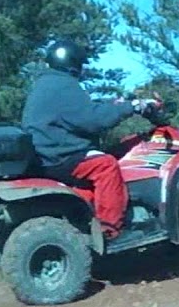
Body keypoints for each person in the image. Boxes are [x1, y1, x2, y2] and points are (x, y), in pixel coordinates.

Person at [21, 38, 154, 240]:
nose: (82, 69)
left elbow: (80, 111)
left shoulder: (46, 83)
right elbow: (92, 120)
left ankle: (87, 219)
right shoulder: (63, 85)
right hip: (62, 155)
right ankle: (111, 230)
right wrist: (130, 107)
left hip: (48, 154)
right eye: (80, 64)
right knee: (106, 166)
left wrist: (115, 104)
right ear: (72, 63)